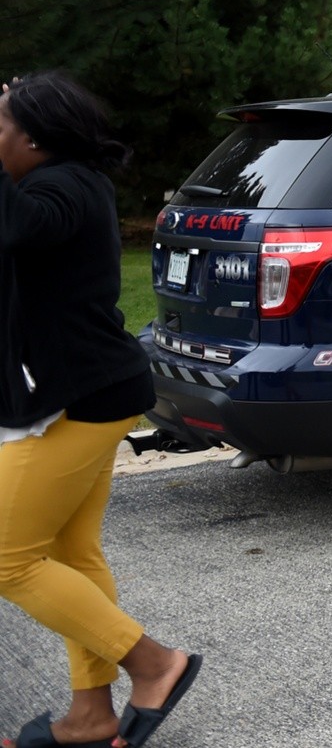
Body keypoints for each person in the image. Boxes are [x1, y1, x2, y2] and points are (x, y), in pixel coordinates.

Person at [0, 73, 202, 748]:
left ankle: (154, 664)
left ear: (34, 139)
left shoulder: (58, 189)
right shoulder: (64, 183)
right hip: (90, 389)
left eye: (1, 127)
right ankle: (91, 713)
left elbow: (19, 226)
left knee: (7, 558)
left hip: (80, 399)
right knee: (71, 550)